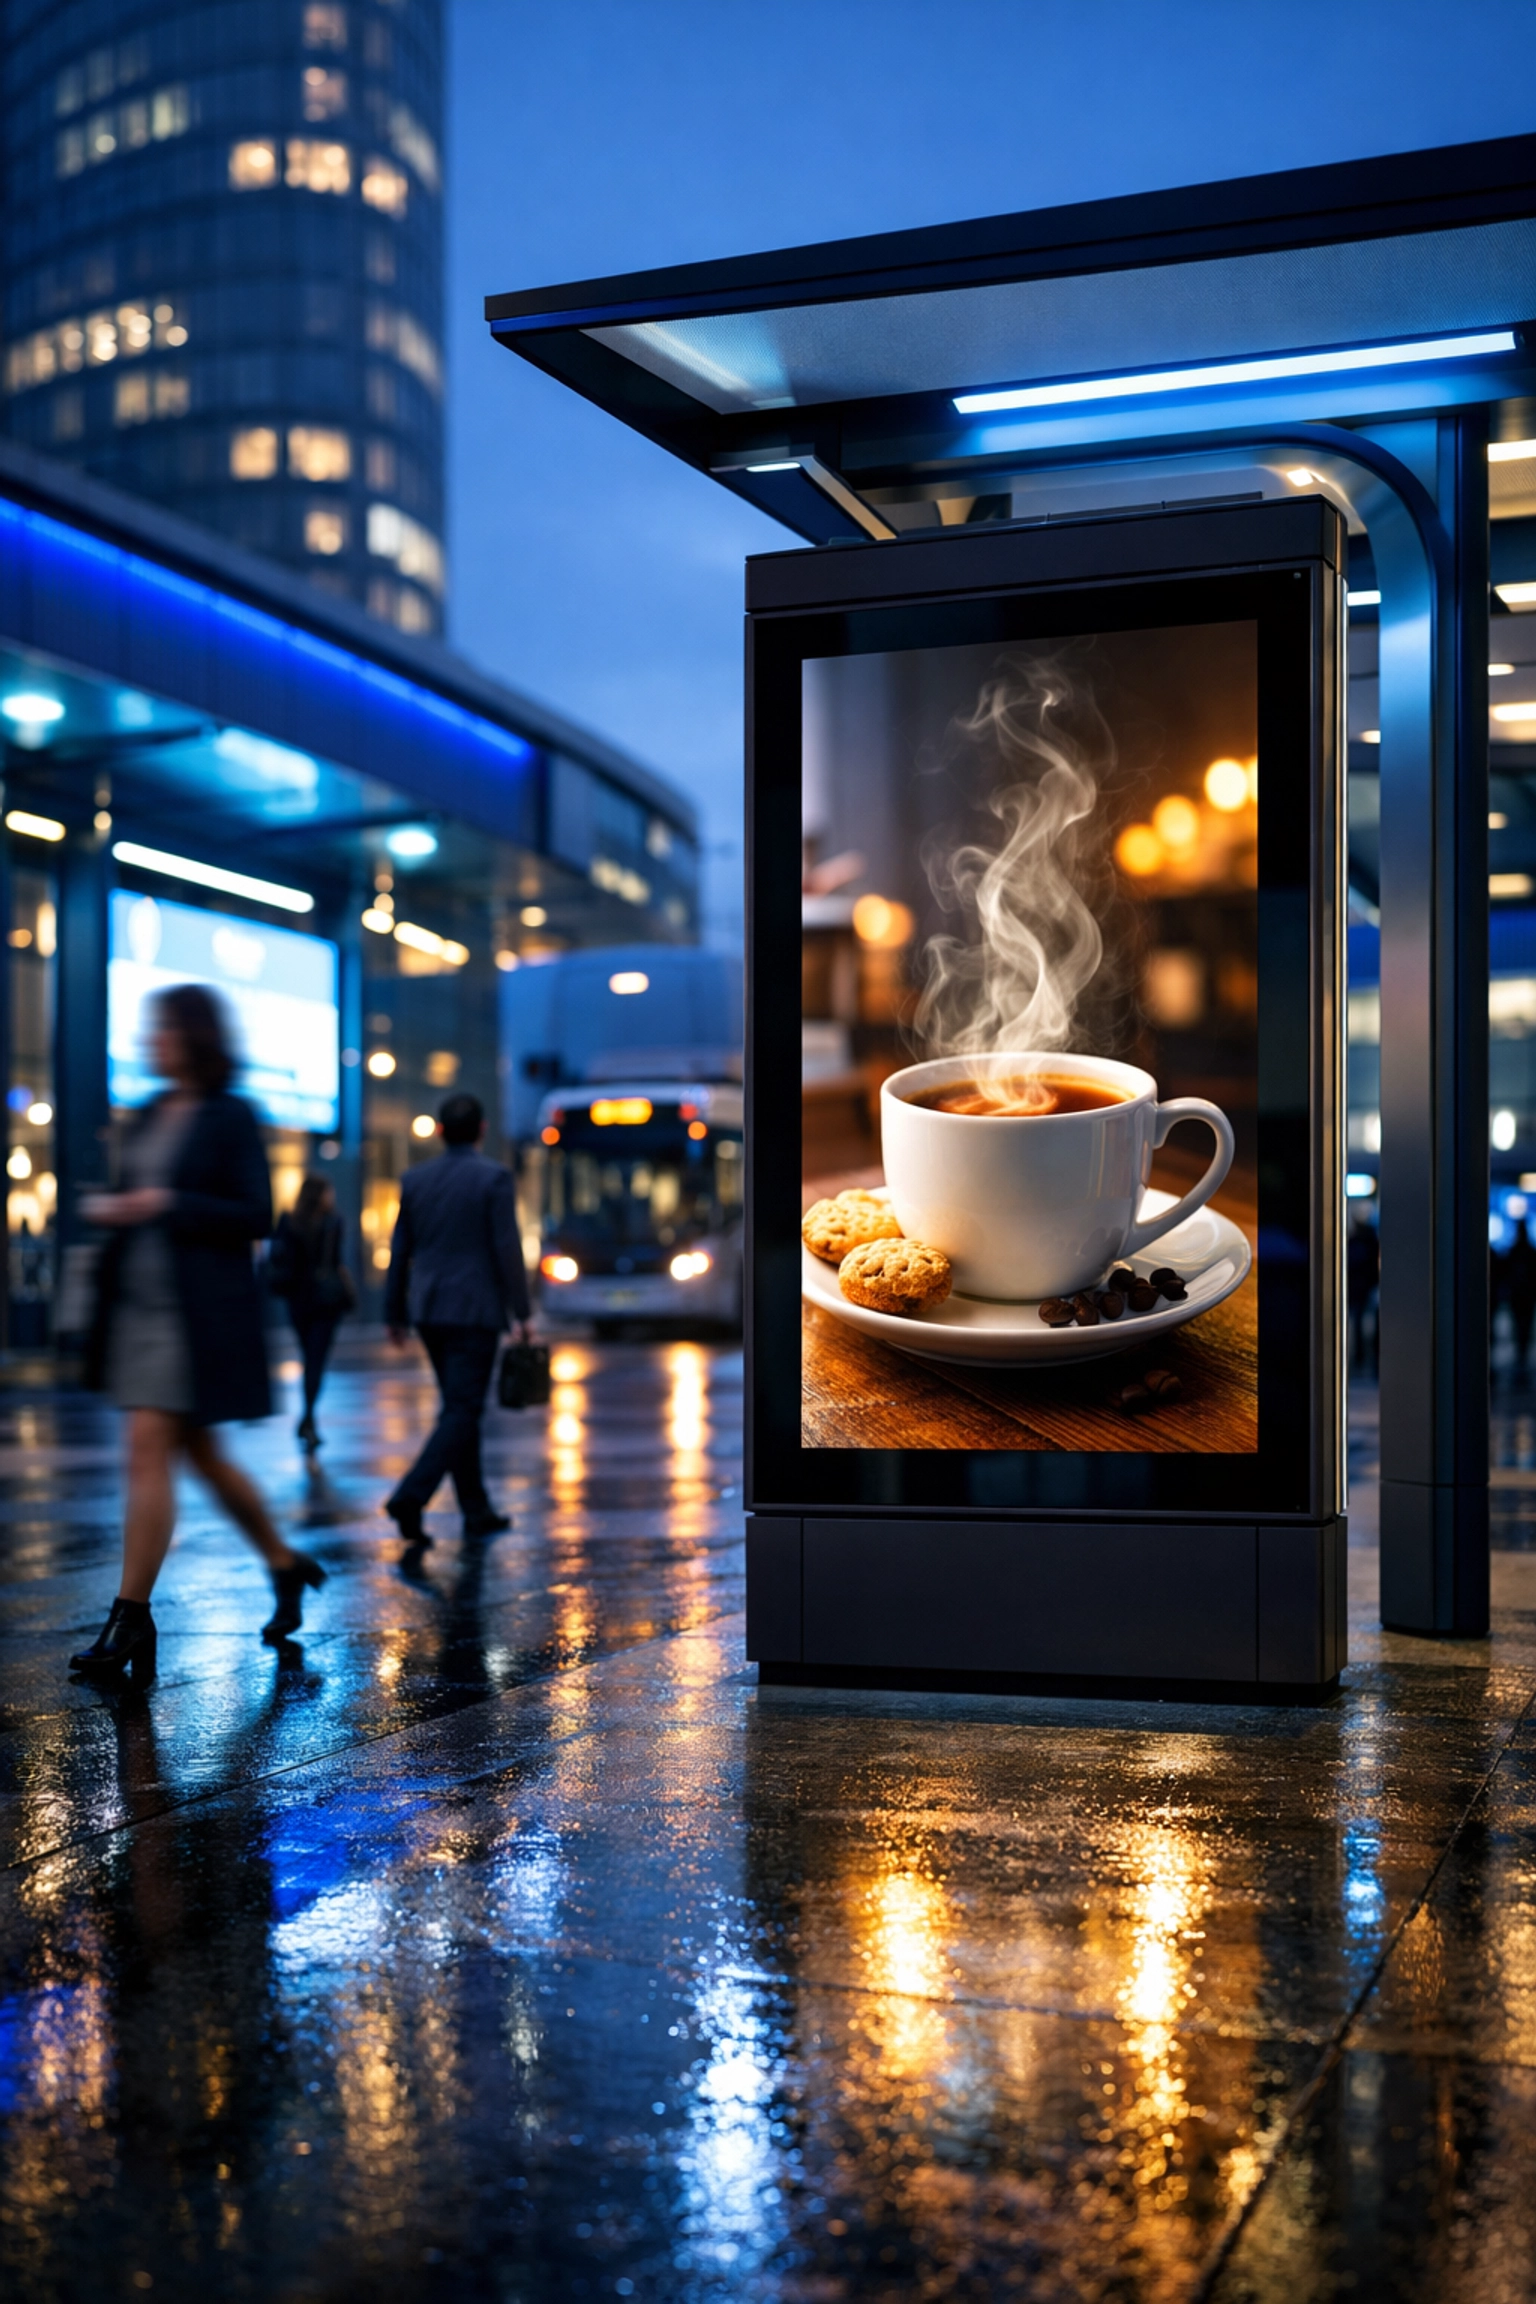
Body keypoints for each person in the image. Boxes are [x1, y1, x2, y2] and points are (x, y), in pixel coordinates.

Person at [69, 985, 325, 1682]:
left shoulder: (234, 1115)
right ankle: (283, 1563)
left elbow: (254, 1213)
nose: (153, 1039)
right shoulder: (151, 1112)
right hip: (138, 1309)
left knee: (147, 1447)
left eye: (163, 1028)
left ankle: (130, 1615)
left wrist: (163, 1202)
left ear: (194, 1036)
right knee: (202, 1456)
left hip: (193, 1316)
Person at [382, 1090, 531, 1545]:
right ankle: (411, 1495)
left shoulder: (415, 1179)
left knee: (457, 1409)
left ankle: (476, 1508)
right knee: (463, 1409)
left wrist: (395, 1313)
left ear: (441, 1132)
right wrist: (521, 1311)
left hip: (428, 1309)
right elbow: (507, 1248)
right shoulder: (494, 1178)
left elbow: (400, 1252)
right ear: (482, 1130)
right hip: (475, 1309)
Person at [270, 1173, 354, 1451]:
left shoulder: (290, 1221)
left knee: (311, 1358)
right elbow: (336, 1263)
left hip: (300, 1299)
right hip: (322, 1300)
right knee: (315, 1359)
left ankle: (308, 1419)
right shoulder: (332, 1222)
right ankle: (307, 1418)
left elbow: (279, 1259)